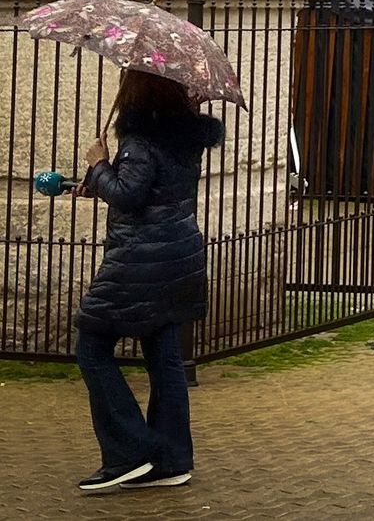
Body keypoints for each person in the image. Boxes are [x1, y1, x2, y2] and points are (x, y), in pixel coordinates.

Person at [72, 68, 223, 493]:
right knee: (163, 356)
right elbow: (153, 189)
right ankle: (172, 461)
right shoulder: (184, 139)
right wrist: (97, 181)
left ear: (137, 90)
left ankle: (130, 453)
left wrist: (100, 164)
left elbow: (129, 196)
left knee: (92, 347)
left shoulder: (138, 141)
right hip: (179, 256)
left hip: (140, 261)